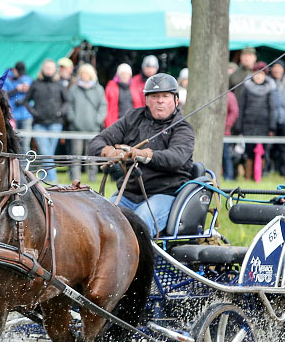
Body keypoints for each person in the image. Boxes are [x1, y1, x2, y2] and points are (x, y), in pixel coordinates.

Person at [87, 73, 194, 235]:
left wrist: (144, 155)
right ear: (146, 100)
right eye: (154, 96)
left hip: (165, 194)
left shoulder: (182, 128)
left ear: (176, 100)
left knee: (140, 222)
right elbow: (96, 142)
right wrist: (109, 151)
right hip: (129, 193)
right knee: (99, 220)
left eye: (165, 96)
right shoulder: (132, 118)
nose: (160, 100)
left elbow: (176, 158)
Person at [25, 58, 68, 181]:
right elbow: (26, 101)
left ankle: (45, 179)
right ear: (42, 69)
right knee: (45, 152)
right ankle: (53, 180)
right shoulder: (36, 83)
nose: (49, 70)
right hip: (39, 123)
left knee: (48, 153)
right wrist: (34, 113)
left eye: (51, 68)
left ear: (54, 70)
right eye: (47, 68)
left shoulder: (59, 84)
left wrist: (61, 112)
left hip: (55, 123)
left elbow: (66, 102)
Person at [65, 63, 106, 183]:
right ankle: (75, 178)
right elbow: (69, 106)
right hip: (76, 128)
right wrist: (73, 119)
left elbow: (103, 106)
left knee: (92, 154)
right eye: (82, 73)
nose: (84, 75)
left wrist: (97, 120)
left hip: (93, 128)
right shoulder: (74, 89)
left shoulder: (98, 89)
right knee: (76, 155)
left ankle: (92, 178)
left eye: (87, 73)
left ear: (91, 75)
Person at [236, 61, 274, 180]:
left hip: (264, 126)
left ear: (265, 75)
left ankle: (259, 176)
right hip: (249, 125)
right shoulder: (246, 88)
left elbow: (272, 108)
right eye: (256, 73)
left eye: (261, 73)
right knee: (249, 152)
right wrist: (239, 126)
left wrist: (272, 127)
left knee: (262, 152)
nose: (258, 76)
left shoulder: (270, 89)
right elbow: (241, 107)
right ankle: (248, 176)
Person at [269, 61, 285, 176]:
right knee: (269, 146)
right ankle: (268, 169)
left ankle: (283, 171)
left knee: (284, 147)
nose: (276, 70)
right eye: (274, 67)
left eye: (279, 67)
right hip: (271, 119)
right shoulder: (268, 82)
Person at [104, 63, 142, 127]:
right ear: (118, 75)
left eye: (127, 74)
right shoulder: (111, 87)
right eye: (122, 74)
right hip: (116, 123)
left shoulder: (134, 88)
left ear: (130, 75)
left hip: (132, 124)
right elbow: (107, 107)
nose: (124, 76)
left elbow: (138, 107)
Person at [4, 61, 34, 132]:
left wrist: (29, 90)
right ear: (14, 70)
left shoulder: (28, 79)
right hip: (13, 115)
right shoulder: (8, 80)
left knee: (25, 141)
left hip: (26, 114)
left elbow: (34, 95)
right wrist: (16, 90)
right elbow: (4, 95)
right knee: (13, 139)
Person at [222, 89, 239, 182]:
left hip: (225, 132)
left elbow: (234, 112)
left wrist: (226, 125)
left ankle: (228, 176)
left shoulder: (229, 95)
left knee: (226, 155)